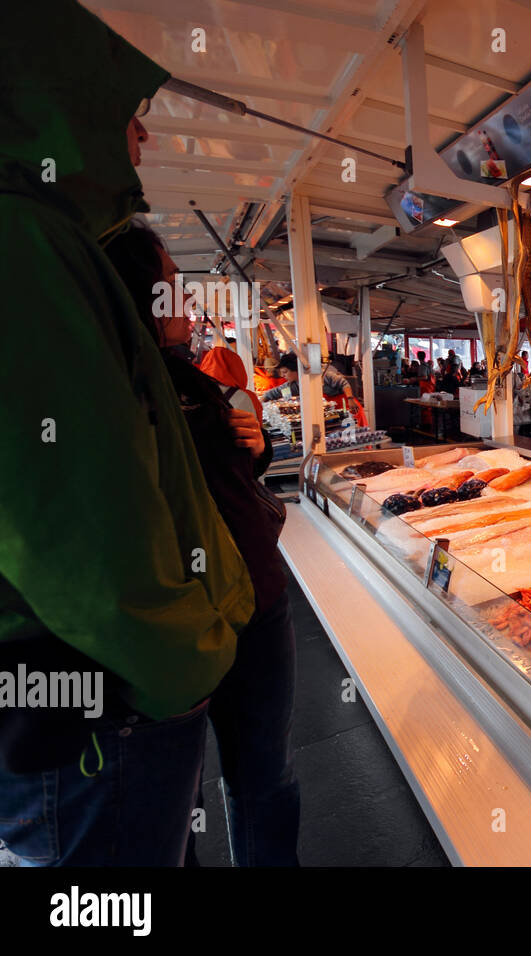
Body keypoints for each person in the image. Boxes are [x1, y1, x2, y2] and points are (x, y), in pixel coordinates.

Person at [0, 1, 255, 865]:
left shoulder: (45, 242)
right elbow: (80, 526)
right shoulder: (22, 245)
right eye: (128, 114)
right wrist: (189, 666)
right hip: (92, 709)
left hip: (84, 699)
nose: (141, 141)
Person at [105, 222, 301, 866]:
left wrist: (256, 445)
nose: (186, 303)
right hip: (180, 624)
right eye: (170, 288)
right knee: (173, 806)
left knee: (258, 777)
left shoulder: (195, 383)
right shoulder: (118, 394)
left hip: (250, 607)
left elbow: (235, 480)